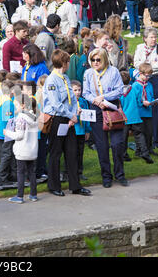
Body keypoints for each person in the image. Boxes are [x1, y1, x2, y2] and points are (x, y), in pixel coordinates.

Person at [43, 49, 91, 196]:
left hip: (69, 118)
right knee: (56, 152)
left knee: (72, 152)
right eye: (68, 62)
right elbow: (55, 103)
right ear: (63, 63)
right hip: (57, 118)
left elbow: (72, 97)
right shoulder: (52, 80)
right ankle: (54, 185)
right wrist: (71, 115)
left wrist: (76, 110)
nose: (69, 64)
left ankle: (75, 185)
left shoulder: (65, 78)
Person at [82, 48, 128, 188]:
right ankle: (106, 176)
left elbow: (119, 90)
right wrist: (96, 100)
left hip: (112, 107)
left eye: (98, 60)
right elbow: (85, 92)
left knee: (117, 144)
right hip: (96, 109)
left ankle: (120, 174)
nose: (95, 63)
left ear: (104, 60)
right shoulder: (88, 73)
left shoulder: (113, 71)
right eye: (93, 60)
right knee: (102, 146)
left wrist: (104, 97)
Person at [134, 27, 158, 149]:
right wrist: (149, 64)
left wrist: (145, 65)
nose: (154, 39)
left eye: (155, 37)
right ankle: (143, 141)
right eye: (151, 37)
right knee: (142, 106)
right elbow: (135, 63)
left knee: (157, 107)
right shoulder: (139, 47)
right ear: (145, 38)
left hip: (156, 78)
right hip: (142, 79)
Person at [5, 94, 38, 203]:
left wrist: (7, 132)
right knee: (32, 173)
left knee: (21, 173)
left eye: (16, 105)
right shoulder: (34, 116)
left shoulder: (20, 119)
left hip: (22, 150)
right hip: (32, 150)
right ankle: (33, 195)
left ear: (23, 105)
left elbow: (19, 135)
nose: (15, 108)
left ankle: (19, 196)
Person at [119, 70, 153, 164]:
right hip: (135, 116)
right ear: (130, 79)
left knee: (123, 137)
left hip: (124, 117)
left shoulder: (119, 92)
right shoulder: (133, 88)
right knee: (139, 135)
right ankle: (145, 153)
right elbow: (139, 100)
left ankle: (124, 155)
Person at [71, 80, 91, 179]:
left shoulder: (83, 102)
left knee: (80, 152)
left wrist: (87, 130)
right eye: (75, 90)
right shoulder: (69, 102)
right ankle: (71, 172)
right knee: (72, 153)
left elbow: (87, 117)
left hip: (82, 131)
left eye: (79, 90)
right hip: (73, 131)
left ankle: (80, 172)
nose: (78, 92)